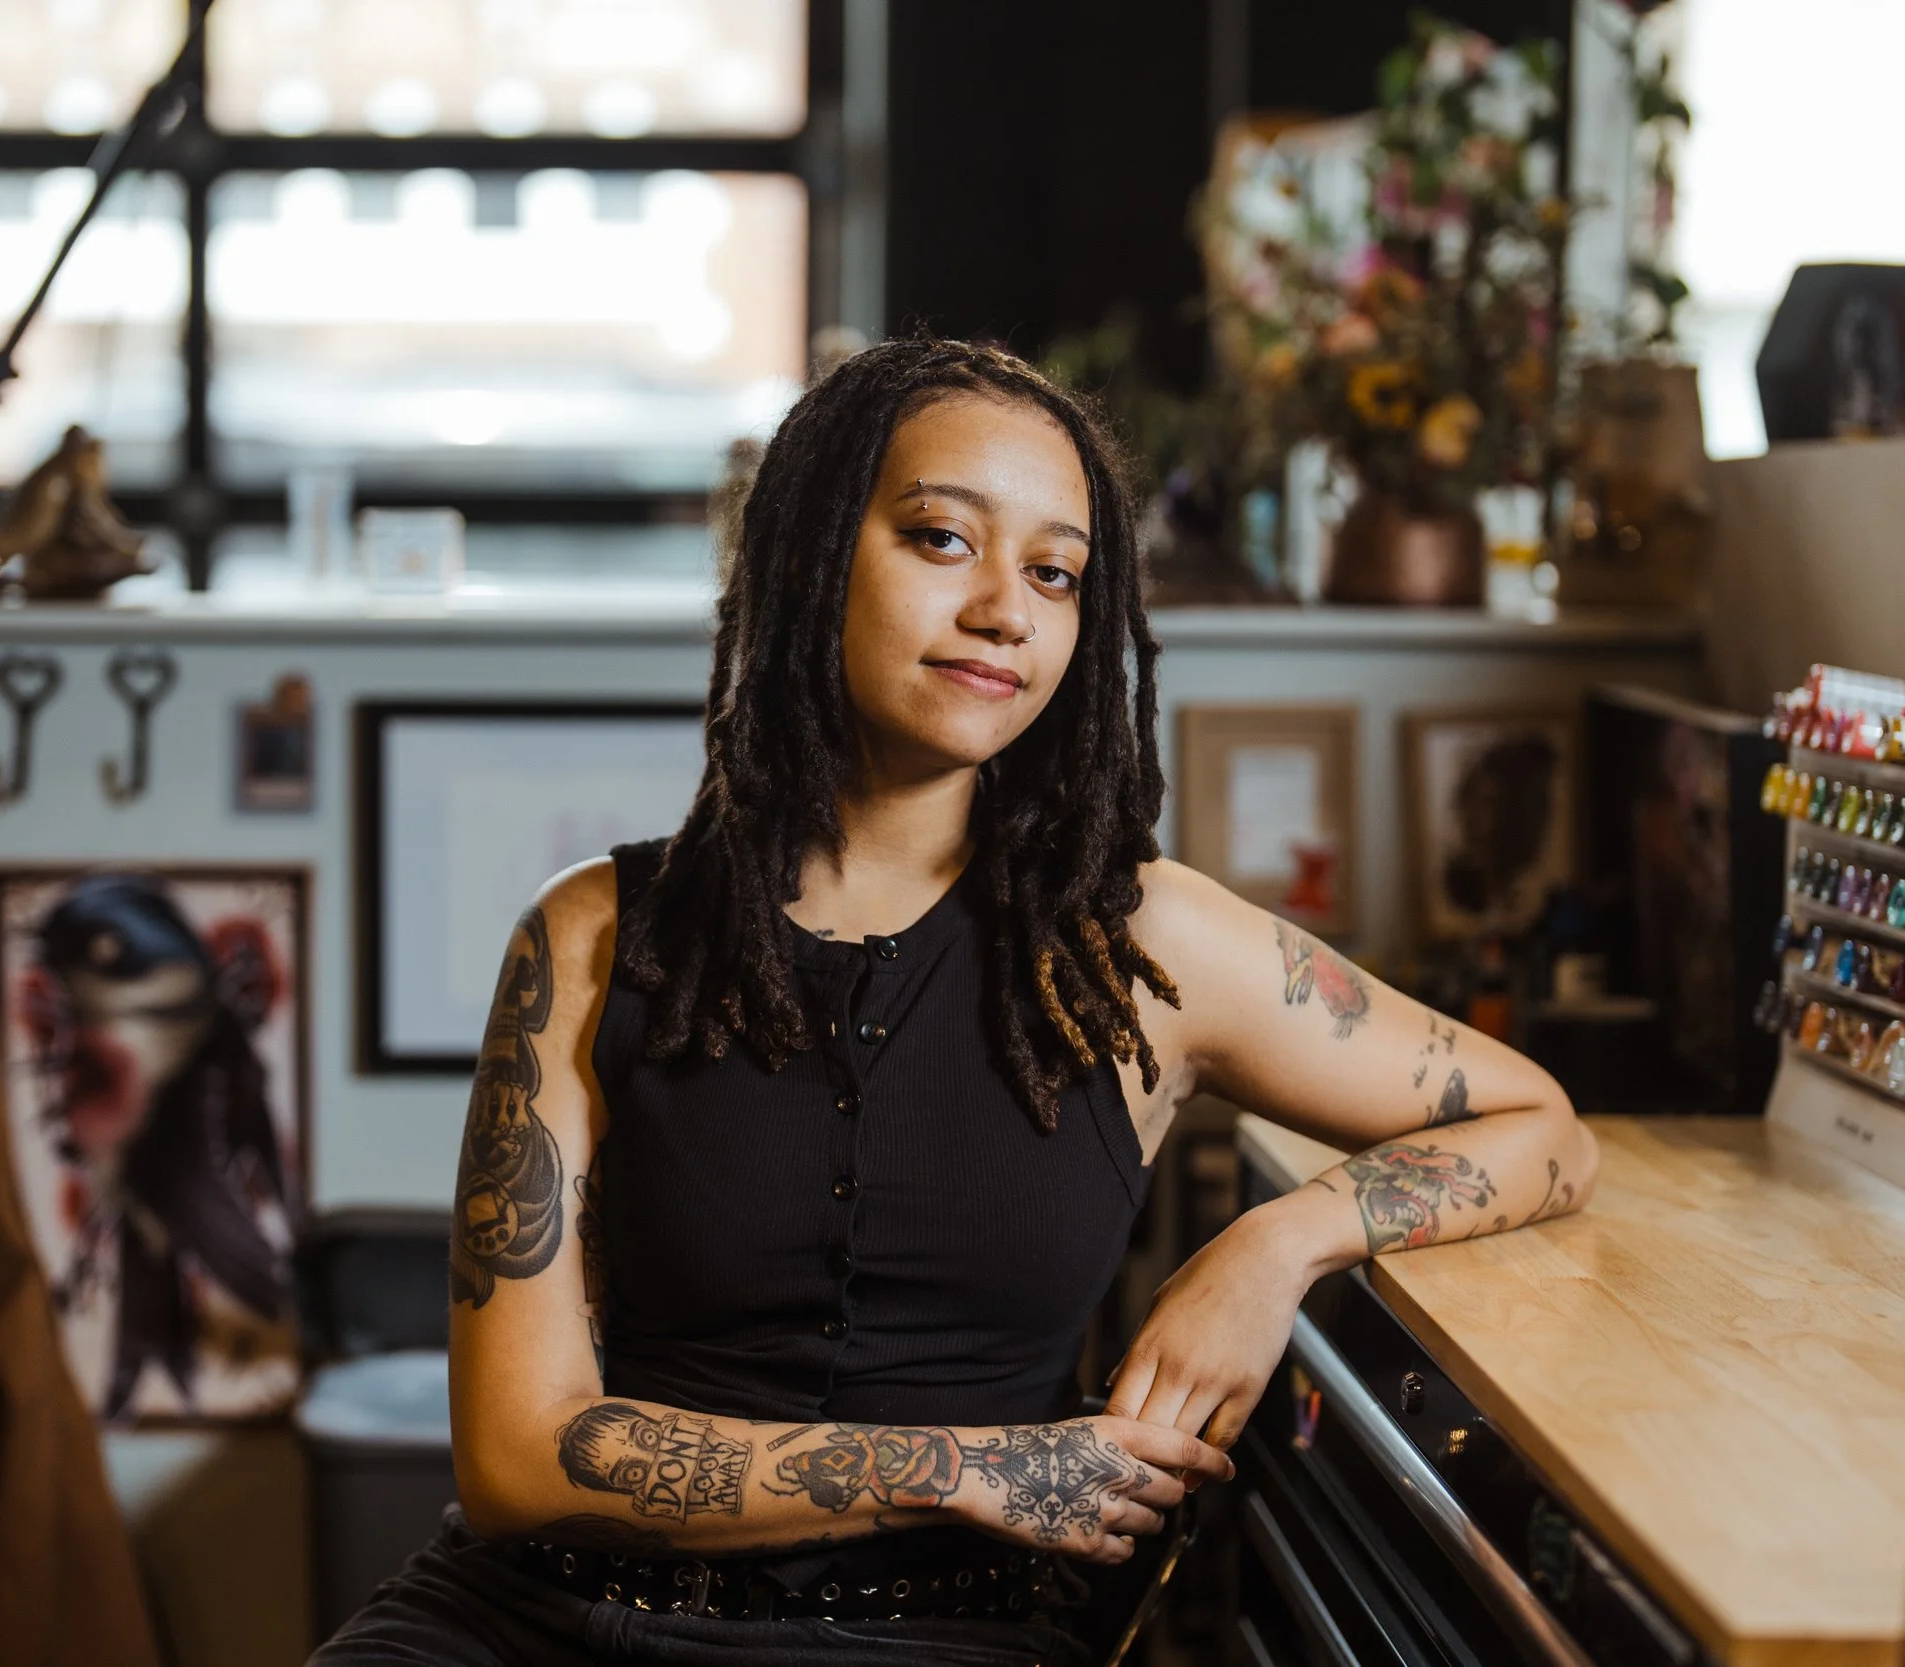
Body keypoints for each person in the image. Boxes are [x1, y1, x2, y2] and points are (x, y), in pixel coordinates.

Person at [311, 338, 1597, 1665]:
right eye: (942, 538)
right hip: (536, 1622)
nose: (1005, 611)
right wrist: (963, 1468)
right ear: (811, 558)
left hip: (937, 1640)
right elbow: (515, 1460)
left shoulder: (1144, 943)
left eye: (1055, 572)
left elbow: (1541, 1126)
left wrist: (1276, 1247)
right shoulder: (590, 935)